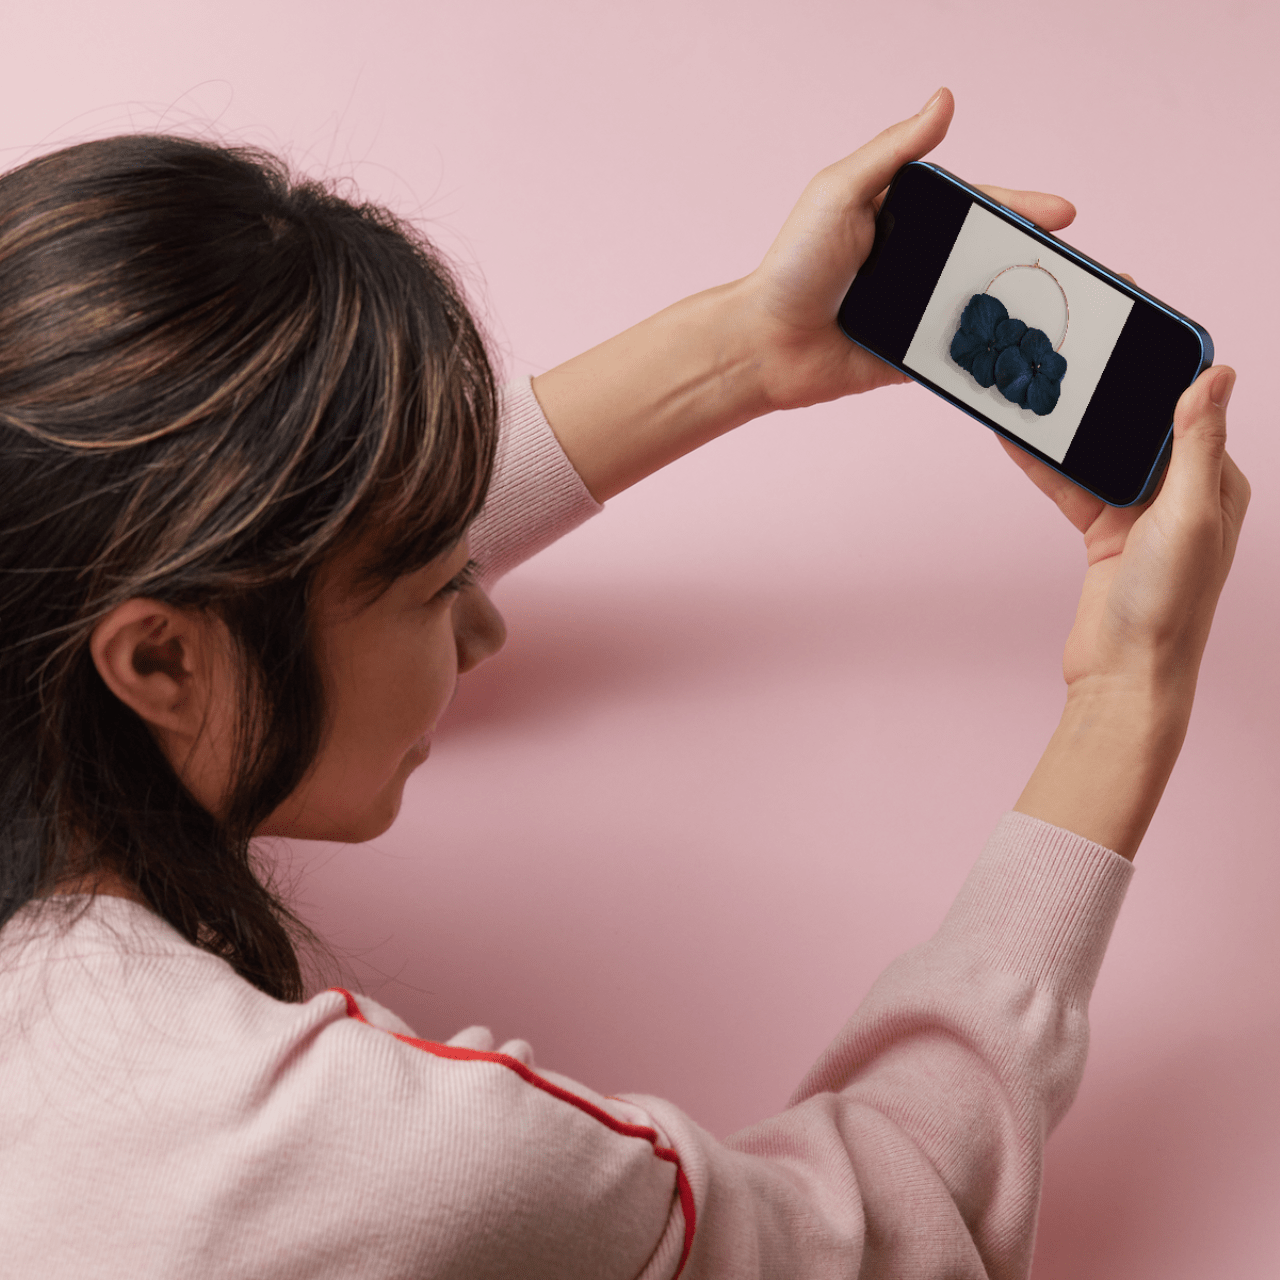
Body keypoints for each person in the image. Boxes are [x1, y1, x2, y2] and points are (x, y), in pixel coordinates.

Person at [0, 88, 1247, 1279]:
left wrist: (741, 348)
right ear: (160, 658)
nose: (484, 629)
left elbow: (256, 569)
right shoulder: (357, 1151)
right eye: (439, 588)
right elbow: (888, 1240)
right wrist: (1126, 689)